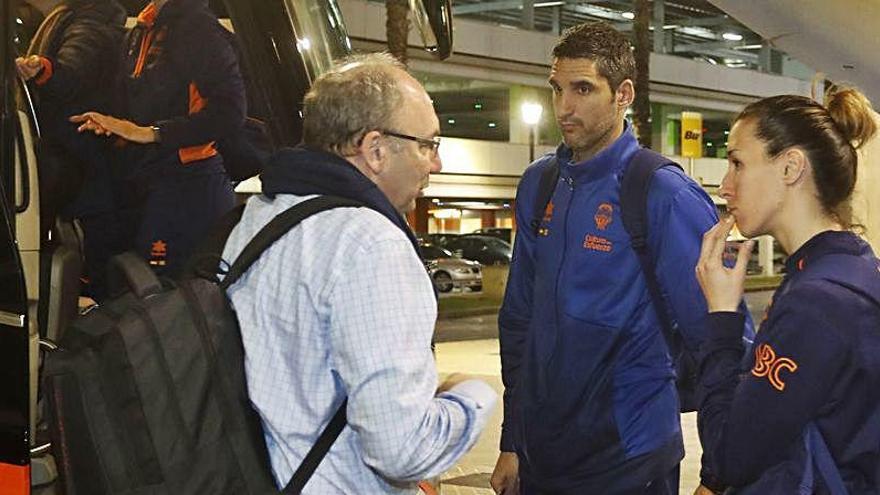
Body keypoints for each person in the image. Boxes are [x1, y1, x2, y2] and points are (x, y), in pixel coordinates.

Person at [491, 22, 750, 494]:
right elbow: (518, 320)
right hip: (544, 456)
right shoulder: (539, 183)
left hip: (629, 458)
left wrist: (722, 471)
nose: (564, 107)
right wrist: (512, 439)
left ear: (623, 94)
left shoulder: (662, 192)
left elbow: (719, 336)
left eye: (584, 89)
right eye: (558, 89)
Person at [221, 53, 497, 494]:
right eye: (428, 144)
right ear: (375, 149)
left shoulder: (260, 218)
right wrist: (472, 396)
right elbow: (399, 449)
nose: (436, 163)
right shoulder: (371, 244)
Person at [694, 89, 880, 494]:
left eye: (738, 163)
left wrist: (723, 319)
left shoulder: (818, 303)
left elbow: (731, 455)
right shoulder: (852, 267)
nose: (725, 186)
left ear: (791, 167)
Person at [71, 0, 245, 276]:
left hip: (189, 184)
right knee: (144, 292)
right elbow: (137, 102)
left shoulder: (199, 30)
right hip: (151, 180)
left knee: (168, 299)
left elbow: (230, 112)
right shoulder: (142, 29)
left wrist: (151, 133)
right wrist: (114, 125)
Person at [15, 0, 125, 299]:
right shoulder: (67, 19)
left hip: (80, 171)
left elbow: (73, 71)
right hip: (82, 170)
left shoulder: (91, 23)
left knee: (91, 276)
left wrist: (43, 70)